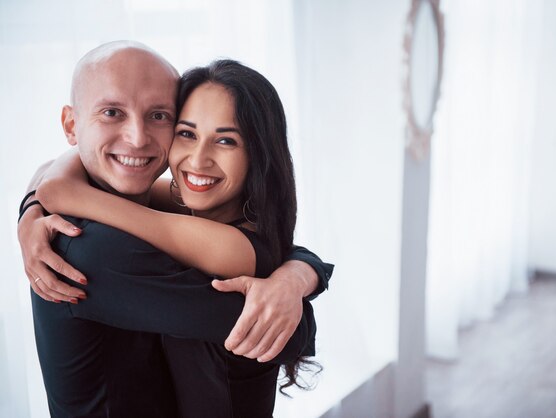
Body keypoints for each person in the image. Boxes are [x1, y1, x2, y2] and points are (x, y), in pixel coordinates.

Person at [18, 41, 332, 418]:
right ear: (72, 124)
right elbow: (291, 333)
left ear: (257, 155)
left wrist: (298, 275)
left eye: (158, 116)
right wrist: (38, 203)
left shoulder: (167, 212)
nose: (136, 137)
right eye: (187, 133)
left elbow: (272, 255)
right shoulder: (89, 247)